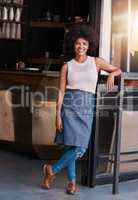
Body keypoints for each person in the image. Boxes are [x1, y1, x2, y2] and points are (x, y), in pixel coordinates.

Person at [41, 23, 122, 195]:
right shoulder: (66, 66)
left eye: (84, 44)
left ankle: (51, 169)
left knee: (80, 148)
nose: (81, 47)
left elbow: (117, 69)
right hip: (69, 106)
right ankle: (72, 183)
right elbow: (61, 92)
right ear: (73, 44)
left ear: (89, 45)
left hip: (86, 106)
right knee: (71, 145)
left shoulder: (96, 62)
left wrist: (113, 75)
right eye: (78, 43)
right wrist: (57, 115)